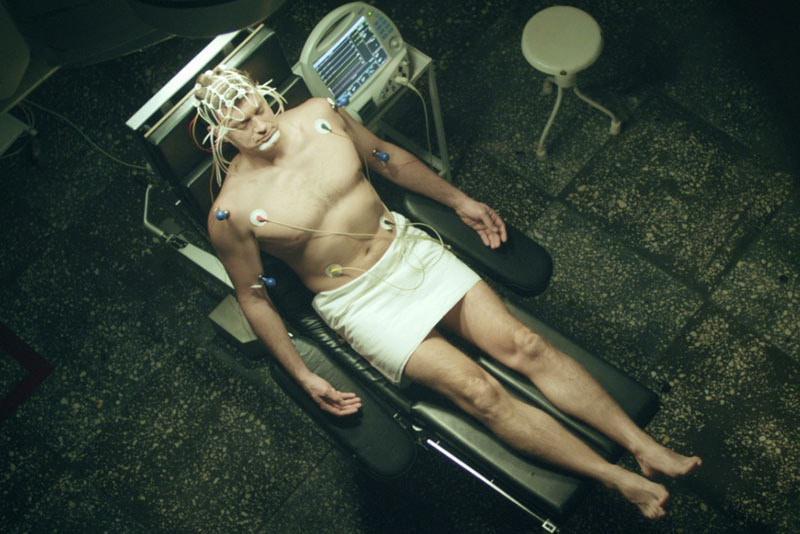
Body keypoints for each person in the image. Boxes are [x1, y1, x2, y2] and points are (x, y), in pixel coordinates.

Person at [194, 66, 701, 520]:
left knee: (526, 345)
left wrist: (460, 201)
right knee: (480, 392)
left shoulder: (321, 116)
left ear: (264, 95)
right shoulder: (230, 212)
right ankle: (616, 478)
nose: (258, 126)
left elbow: (388, 158)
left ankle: (644, 447)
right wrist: (303, 375)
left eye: (257, 109)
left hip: (407, 252)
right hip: (358, 300)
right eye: (241, 124)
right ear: (220, 135)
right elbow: (253, 297)